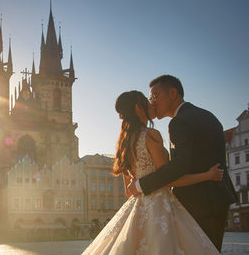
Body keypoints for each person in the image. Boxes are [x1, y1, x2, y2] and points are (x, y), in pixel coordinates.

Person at [82, 90, 221, 254]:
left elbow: (129, 192)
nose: (151, 104)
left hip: (136, 206)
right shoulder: (151, 135)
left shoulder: (123, 145)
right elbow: (168, 179)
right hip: (160, 206)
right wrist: (207, 175)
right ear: (138, 108)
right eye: (147, 102)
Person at [127, 75, 237, 251]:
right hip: (219, 196)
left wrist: (141, 184)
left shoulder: (178, 122)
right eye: (150, 99)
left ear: (172, 93)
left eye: (155, 96)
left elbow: (178, 167)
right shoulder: (209, 116)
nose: (153, 102)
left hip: (196, 201)